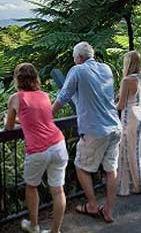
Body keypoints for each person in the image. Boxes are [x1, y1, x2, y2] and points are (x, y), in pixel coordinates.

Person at [52, 42, 122, 223]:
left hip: (95, 129)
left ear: (79, 58)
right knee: (110, 169)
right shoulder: (106, 68)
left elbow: (63, 95)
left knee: (81, 166)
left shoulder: (78, 70)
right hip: (115, 126)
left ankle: (92, 205)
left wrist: (48, 115)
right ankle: (109, 210)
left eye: (74, 58)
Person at [5, 63, 68, 233]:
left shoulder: (15, 98)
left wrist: (12, 120)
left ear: (17, 79)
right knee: (58, 190)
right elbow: (40, 119)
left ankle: (34, 226)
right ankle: (55, 232)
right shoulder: (45, 96)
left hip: (38, 149)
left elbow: (9, 127)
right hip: (58, 144)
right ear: (35, 78)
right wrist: (22, 120)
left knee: (32, 186)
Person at [117, 50, 141, 196]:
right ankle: (132, 183)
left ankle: (137, 185)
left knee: (130, 151)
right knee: (134, 150)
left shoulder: (127, 80)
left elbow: (121, 104)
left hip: (130, 116)